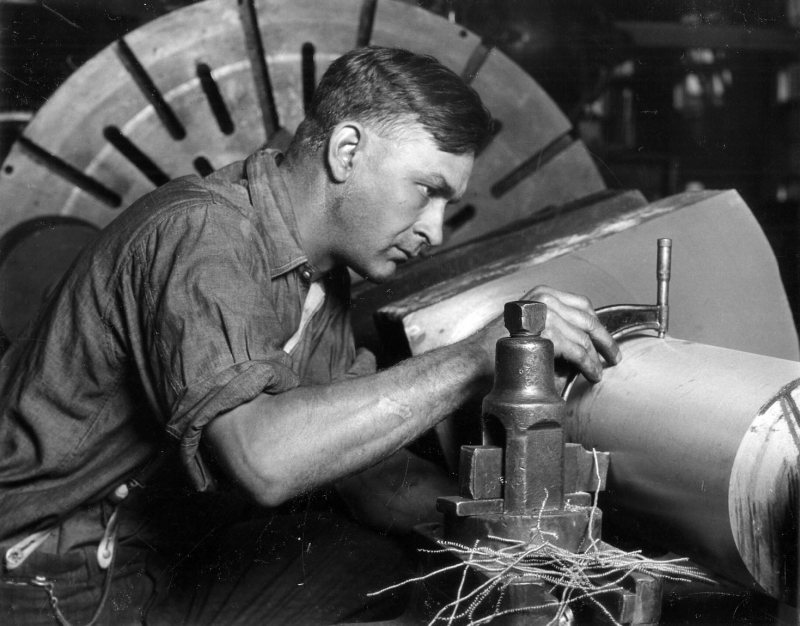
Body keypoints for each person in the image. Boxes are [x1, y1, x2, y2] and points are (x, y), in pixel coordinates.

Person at [0, 46, 619, 625]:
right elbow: (266, 460)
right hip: (42, 581)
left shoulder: (317, 281)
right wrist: (474, 360)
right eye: (427, 191)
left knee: (384, 568)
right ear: (347, 151)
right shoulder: (206, 234)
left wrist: (517, 540)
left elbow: (370, 477)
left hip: (144, 570)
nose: (436, 231)